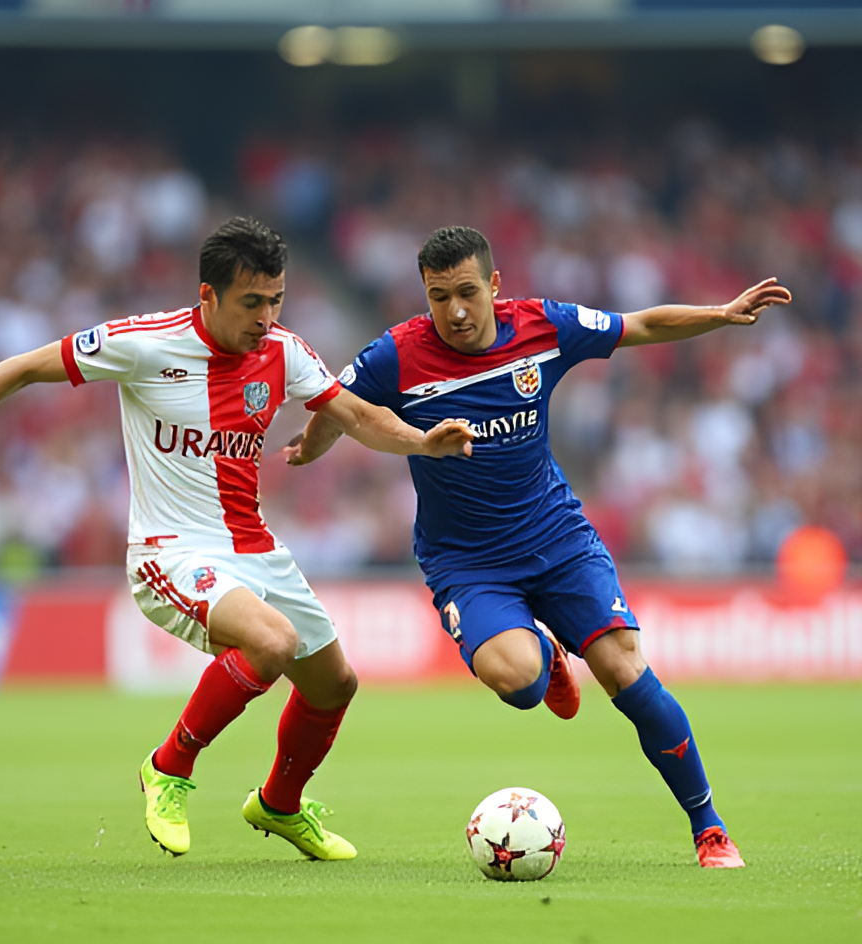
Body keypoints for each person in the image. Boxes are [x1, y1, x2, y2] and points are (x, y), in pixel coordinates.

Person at [0, 216, 473, 862]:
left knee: (334, 685)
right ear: (207, 296)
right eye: (251, 303)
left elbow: (355, 415)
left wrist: (420, 442)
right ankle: (168, 768)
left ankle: (279, 805)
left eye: (277, 301)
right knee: (272, 643)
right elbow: (19, 369)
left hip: (255, 549)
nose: (267, 318)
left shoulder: (284, 351)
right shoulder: (145, 344)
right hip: (171, 551)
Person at [287, 225, 792, 869]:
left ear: (495, 285)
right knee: (518, 681)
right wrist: (308, 447)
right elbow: (339, 404)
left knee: (625, 673)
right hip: (469, 563)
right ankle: (548, 657)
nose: (456, 310)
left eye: (468, 292)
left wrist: (719, 316)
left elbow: (640, 326)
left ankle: (709, 828)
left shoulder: (542, 327)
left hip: (557, 539)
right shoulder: (398, 355)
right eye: (439, 296)